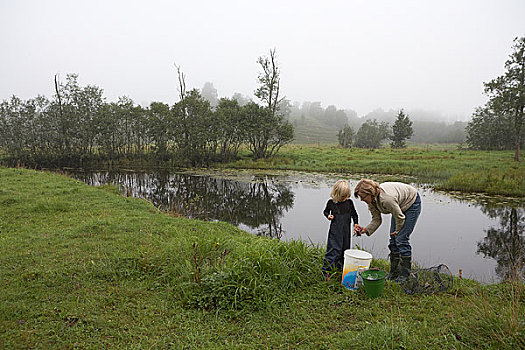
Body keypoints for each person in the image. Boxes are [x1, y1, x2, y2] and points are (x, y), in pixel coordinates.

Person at [353, 179, 421, 281]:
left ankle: (404, 276)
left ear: (370, 193)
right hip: (398, 206)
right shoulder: (371, 201)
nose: (361, 200)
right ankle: (394, 273)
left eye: (362, 197)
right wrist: (365, 230)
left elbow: (400, 217)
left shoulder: (387, 200)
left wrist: (398, 231)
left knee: (401, 239)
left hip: (411, 203)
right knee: (393, 241)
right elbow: (377, 220)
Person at [322, 180, 359, 279]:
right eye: (342, 196)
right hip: (335, 230)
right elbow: (325, 212)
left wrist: (356, 224)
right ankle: (327, 270)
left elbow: (354, 215)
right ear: (336, 193)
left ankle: (340, 268)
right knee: (333, 248)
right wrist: (328, 216)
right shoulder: (331, 203)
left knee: (345, 249)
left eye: (346, 196)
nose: (344, 198)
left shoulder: (349, 202)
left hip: (346, 230)